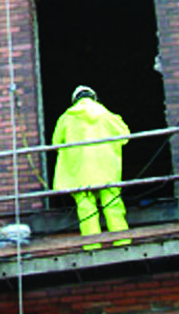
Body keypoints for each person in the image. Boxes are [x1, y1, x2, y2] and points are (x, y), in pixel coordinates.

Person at [52, 85, 132, 250]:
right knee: (112, 203)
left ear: (75, 100)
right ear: (94, 97)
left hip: (80, 170)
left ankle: (92, 245)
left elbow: (56, 143)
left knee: (86, 206)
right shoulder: (106, 114)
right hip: (105, 168)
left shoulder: (66, 118)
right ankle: (122, 241)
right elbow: (125, 136)